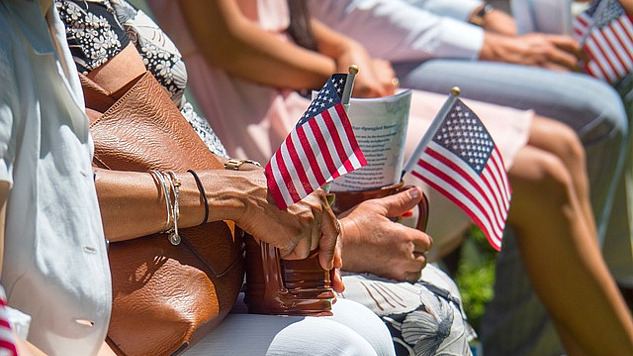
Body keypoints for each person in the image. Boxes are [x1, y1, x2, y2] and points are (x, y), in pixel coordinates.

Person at [144, 0, 633, 354]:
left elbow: (298, 17)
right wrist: (334, 71)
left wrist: (344, 51)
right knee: (540, 179)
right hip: (267, 123)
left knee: (559, 151)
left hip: (302, 86)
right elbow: (227, 42)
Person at [0, 0, 396, 355]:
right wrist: (237, 196)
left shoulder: (40, 21)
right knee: (346, 344)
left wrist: (257, 192)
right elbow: (59, 193)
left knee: (368, 332)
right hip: (126, 303)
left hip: (210, 264)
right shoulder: (18, 33)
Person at [307, 1, 633, 354]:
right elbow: (329, 15)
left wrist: (479, 15)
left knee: (563, 147)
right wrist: (486, 42)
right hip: (341, 68)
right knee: (557, 160)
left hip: (368, 47)